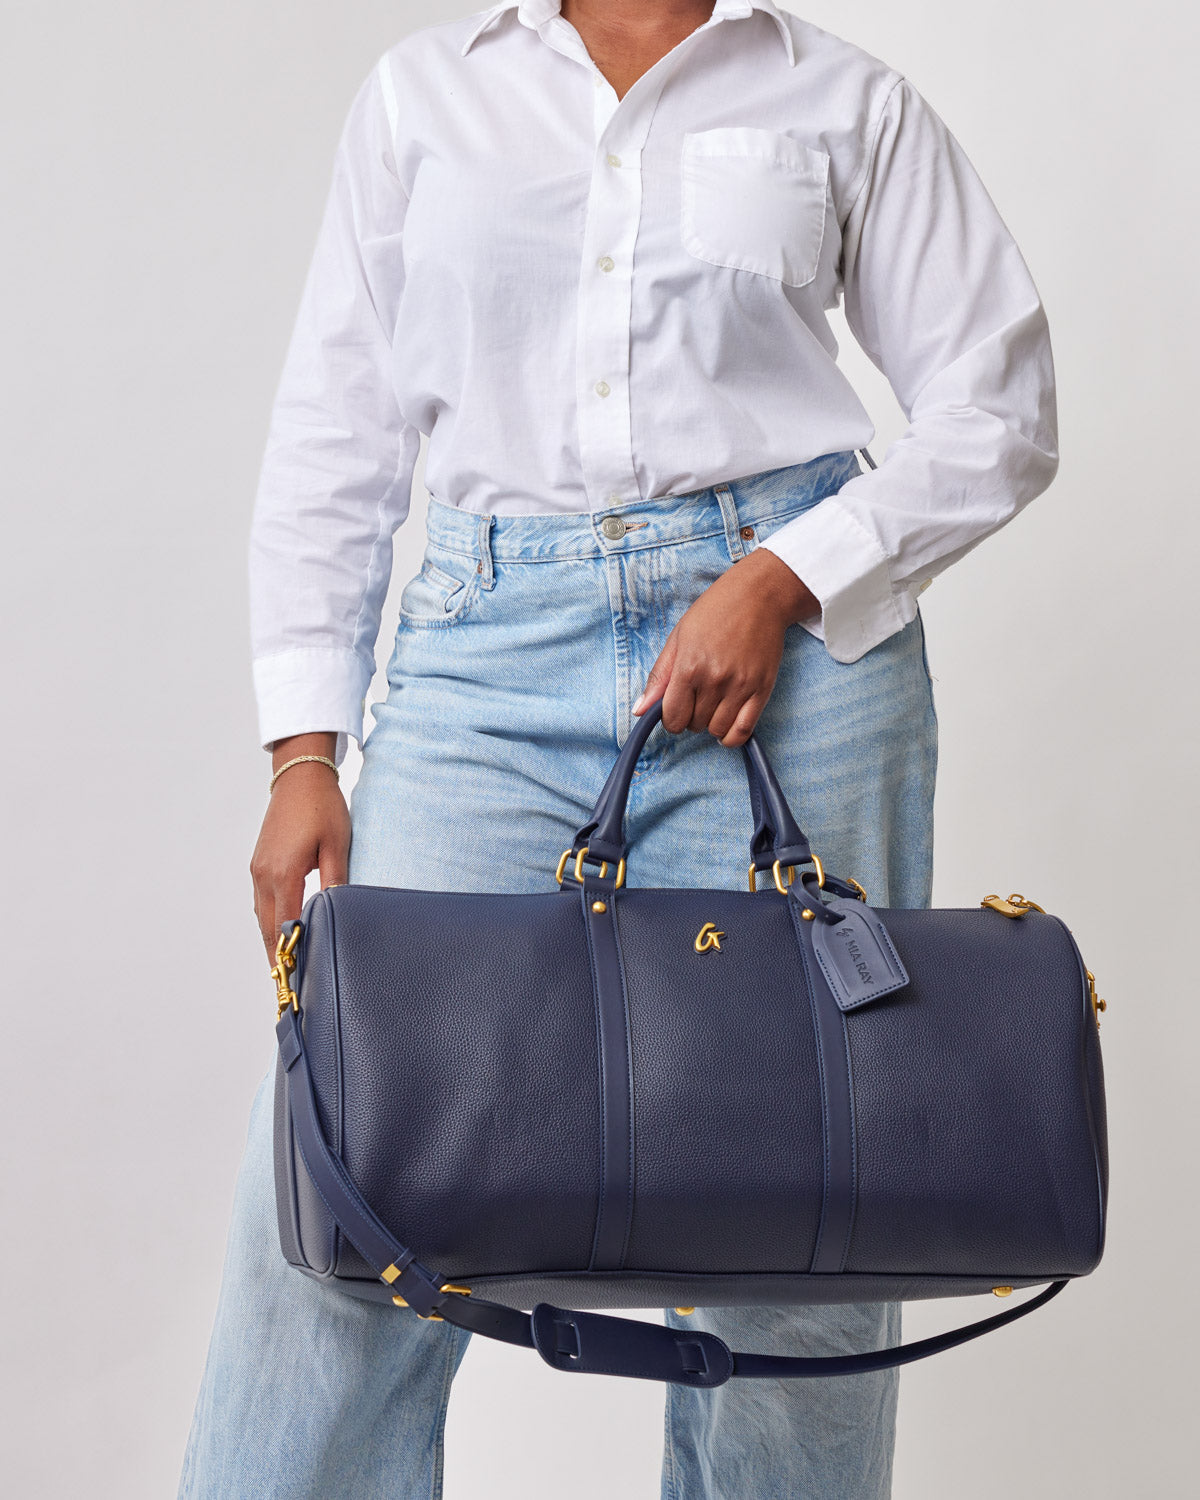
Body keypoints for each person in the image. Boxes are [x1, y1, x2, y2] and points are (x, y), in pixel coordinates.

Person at [177, 2, 1058, 1495]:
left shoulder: (843, 98)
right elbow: (339, 431)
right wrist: (300, 750)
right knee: (363, 1181)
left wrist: (785, 576)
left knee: (813, 1215)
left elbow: (1003, 406)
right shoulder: (420, 98)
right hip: (481, 653)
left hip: (795, 657)